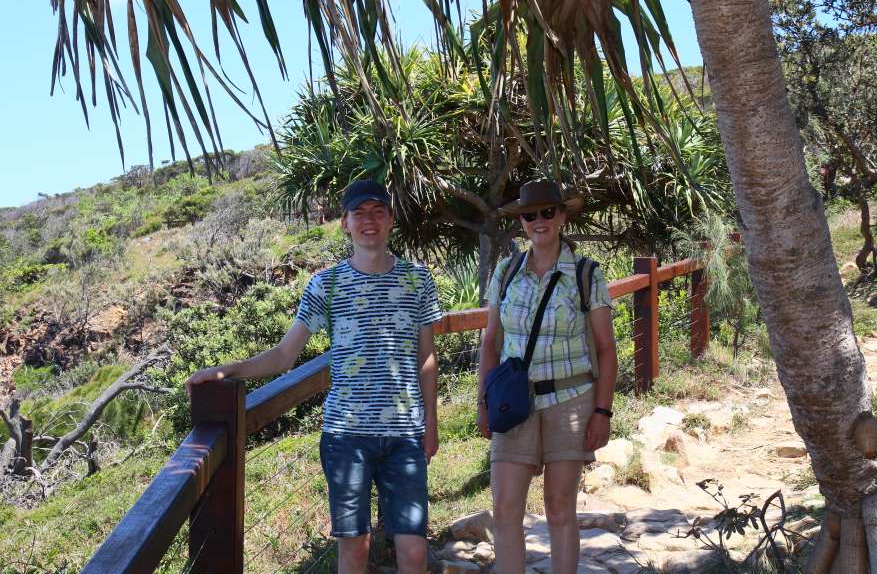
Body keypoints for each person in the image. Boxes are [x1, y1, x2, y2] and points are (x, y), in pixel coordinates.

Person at [185, 179, 442, 574]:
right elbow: (285, 355)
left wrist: (432, 424)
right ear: (345, 224)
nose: (369, 221)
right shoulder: (327, 284)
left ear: (391, 219)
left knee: (414, 552)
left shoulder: (417, 280)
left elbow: (426, 357)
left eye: (378, 212)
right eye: (359, 213)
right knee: (354, 551)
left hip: (406, 434)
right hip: (346, 436)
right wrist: (227, 370)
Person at [477, 180, 618, 574]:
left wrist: (602, 412)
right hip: (513, 403)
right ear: (521, 221)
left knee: (559, 508)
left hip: (571, 400)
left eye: (547, 212)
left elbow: (606, 348)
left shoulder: (586, 274)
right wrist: (483, 403)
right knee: (505, 508)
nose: (539, 220)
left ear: (562, 216)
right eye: (529, 214)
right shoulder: (506, 271)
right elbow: (490, 343)